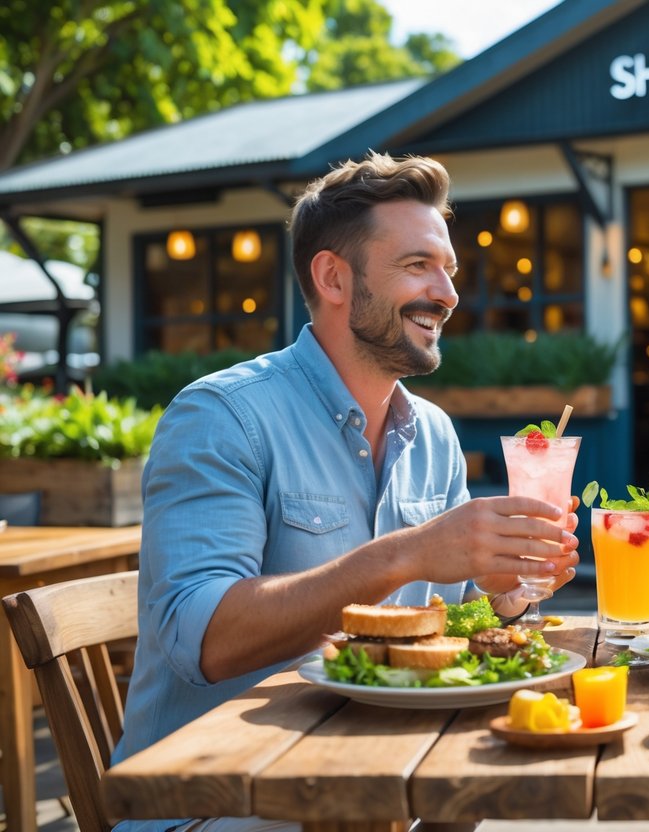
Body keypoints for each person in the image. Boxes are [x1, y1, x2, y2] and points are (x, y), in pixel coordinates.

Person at [113, 153, 580, 829]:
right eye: (418, 265)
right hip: (221, 808)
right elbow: (203, 641)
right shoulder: (222, 417)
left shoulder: (434, 435)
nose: (448, 293)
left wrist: (502, 599)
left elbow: (441, 632)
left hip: (373, 786)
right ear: (333, 277)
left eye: (447, 269)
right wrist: (407, 555)